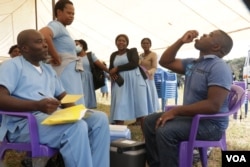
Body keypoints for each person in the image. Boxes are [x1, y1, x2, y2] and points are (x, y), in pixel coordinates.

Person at [0, 29, 110, 167]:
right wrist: (36, 105)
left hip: (51, 118)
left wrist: (77, 112)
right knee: (76, 127)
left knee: (99, 118)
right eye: (39, 42)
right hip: (25, 124)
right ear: (25, 48)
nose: (46, 45)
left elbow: (63, 96)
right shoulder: (12, 65)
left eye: (45, 41)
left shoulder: (47, 69)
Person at [143, 29, 233, 167]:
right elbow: (165, 61)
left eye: (210, 35)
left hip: (210, 124)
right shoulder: (194, 63)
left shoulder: (218, 67)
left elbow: (213, 105)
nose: (204, 34)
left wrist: (176, 111)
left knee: (165, 131)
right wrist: (181, 41)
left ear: (216, 47)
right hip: (192, 117)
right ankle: (157, 164)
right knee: (149, 121)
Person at [39, 0, 85, 105]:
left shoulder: (63, 29)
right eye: (69, 13)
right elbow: (44, 34)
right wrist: (55, 56)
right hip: (64, 72)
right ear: (59, 12)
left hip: (70, 72)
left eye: (73, 14)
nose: (72, 16)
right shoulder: (56, 25)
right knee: (69, 101)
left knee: (74, 100)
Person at [109, 34, 153, 125]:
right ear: (116, 42)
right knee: (119, 107)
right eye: (119, 40)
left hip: (135, 80)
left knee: (141, 110)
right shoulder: (113, 55)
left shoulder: (132, 51)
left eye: (123, 41)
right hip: (121, 82)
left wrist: (117, 69)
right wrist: (112, 73)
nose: (121, 42)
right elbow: (110, 68)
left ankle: (146, 138)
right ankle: (119, 136)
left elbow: (134, 63)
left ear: (127, 43)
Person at [75, 39, 109, 108]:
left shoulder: (90, 56)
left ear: (82, 45)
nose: (75, 46)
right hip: (77, 80)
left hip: (87, 80)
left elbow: (101, 65)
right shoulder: (74, 57)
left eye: (77, 44)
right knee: (78, 99)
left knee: (86, 98)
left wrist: (110, 72)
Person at [139, 38, 160, 112]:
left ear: (150, 45)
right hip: (141, 79)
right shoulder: (140, 55)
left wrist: (149, 72)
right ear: (141, 45)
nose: (145, 45)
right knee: (142, 98)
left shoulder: (153, 54)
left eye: (147, 43)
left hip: (149, 79)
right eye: (143, 43)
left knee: (150, 97)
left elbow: (155, 67)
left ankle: (151, 114)